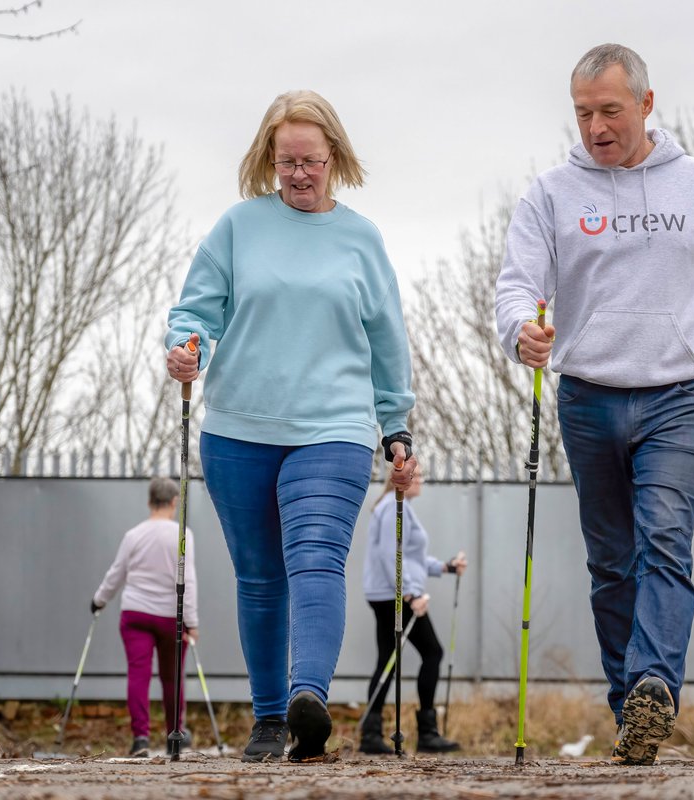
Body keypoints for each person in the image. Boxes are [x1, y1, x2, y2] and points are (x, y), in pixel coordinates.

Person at [494, 43, 694, 765]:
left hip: (681, 395)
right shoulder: (552, 193)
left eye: (610, 110)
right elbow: (513, 285)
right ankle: (633, 711)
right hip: (588, 397)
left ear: (646, 105)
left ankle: (654, 682)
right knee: (612, 561)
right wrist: (519, 331)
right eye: (584, 112)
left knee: (663, 541)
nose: (596, 126)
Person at [165, 90, 418, 763]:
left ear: (333, 155)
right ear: (268, 160)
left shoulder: (360, 239)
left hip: (333, 427)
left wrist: (396, 422)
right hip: (239, 428)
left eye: (310, 160)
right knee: (258, 577)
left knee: (315, 557)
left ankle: (309, 699)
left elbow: (386, 336)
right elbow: (196, 309)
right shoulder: (237, 228)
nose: (299, 174)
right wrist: (186, 344)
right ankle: (269, 718)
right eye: (286, 163)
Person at [359, 470, 467, 754]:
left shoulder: (399, 507)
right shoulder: (394, 507)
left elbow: (411, 556)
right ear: (399, 480)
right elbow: (388, 554)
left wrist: (445, 566)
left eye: (419, 474)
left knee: (387, 660)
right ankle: (427, 734)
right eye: (415, 475)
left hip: (387, 593)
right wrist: (409, 593)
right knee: (433, 652)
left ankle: (371, 735)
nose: (420, 479)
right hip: (395, 595)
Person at [92, 477, 198, 758]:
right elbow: (188, 581)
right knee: (172, 677)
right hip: (169, 617)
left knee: (138, 674)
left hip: (135, 613)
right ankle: (174, 735)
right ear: (175, 502)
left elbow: (116, 574)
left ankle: (140, 738)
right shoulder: (182, 535)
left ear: (149, 501)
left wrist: (98, 601)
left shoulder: (133, 535)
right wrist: (192, 622)